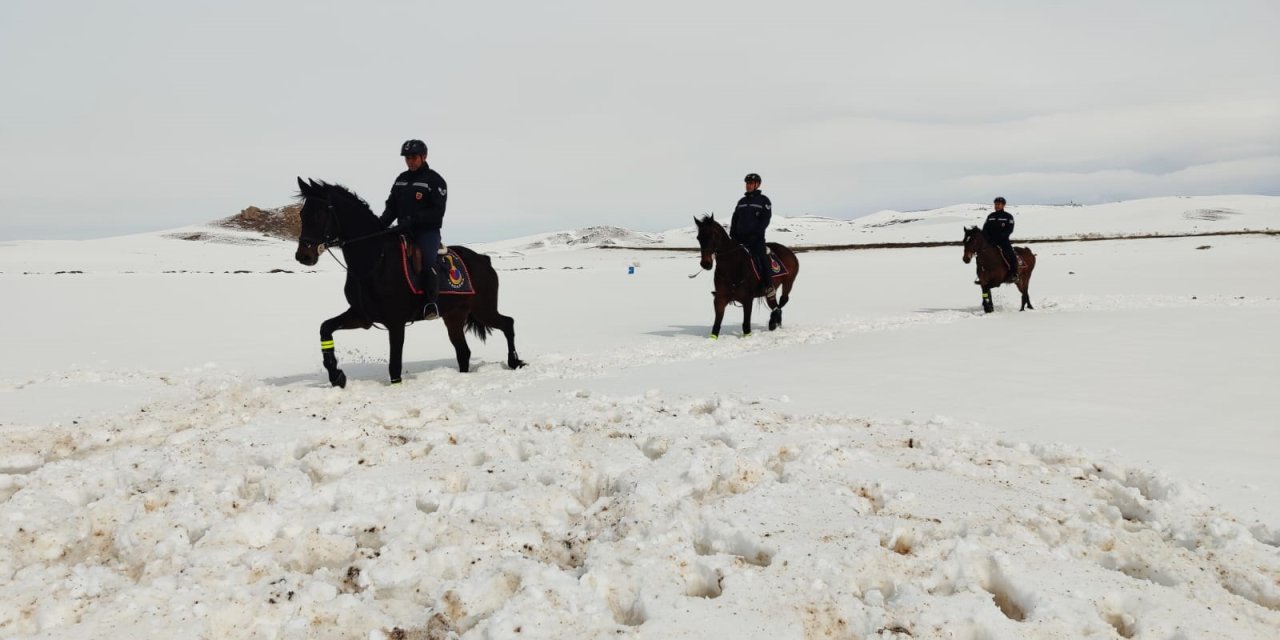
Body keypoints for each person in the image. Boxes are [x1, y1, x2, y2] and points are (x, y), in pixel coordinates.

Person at [380, 139, 448, 320]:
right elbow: (391, 208)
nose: (410, 161)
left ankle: (430, 303)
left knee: (427, 259)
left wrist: (414, 219)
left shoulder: (435, 180)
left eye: (413, 157)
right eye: (407, 158)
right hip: (402, 230)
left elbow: (437, 210)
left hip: (427, 232)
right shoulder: (400, 180)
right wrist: (379, 225)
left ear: (423, 157)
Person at [729, 172, 773, 295]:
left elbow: (765, 219)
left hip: (756, 239)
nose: (748, 185)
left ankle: (769, 285)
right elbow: (735, 218)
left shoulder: (764, 200)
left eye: (751, 183)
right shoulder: (741, 201)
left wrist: (757, 233)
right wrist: (733, 233)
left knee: (761, 256)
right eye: (747, 183)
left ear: (757, 185)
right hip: (740, 238)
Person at [983, 196, 1018, 282]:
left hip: (1003, 241)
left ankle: (1014, 274)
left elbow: (1009, 230)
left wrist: (999, 238)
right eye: (995, 204)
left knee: (1011, 255)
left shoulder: (1008, 217)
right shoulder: (990, 216)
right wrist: (988, 239)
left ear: (1003, 205)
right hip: (990, 242)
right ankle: (982, 274)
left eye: (999, 204)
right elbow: (985, 229)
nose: (997, 206)